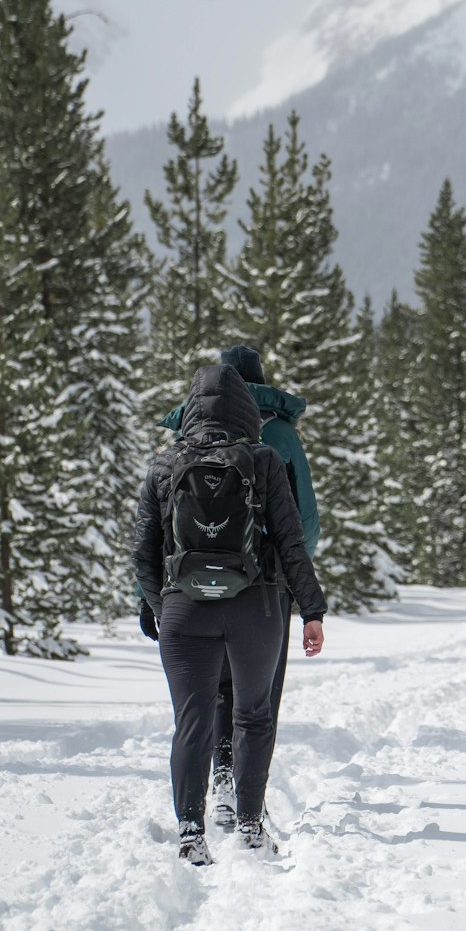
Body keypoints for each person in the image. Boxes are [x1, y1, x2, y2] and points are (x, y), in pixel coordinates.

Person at [133, 363, 326, 866]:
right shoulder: (263, 460)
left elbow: (143, 553)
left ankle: (192, 832)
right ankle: (249, 826)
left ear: (190, 412)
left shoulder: (163, 466)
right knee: (253, 716)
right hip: (255, 608)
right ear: (246, 409)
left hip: (184, 611)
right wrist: (312, 610)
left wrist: (162, 604)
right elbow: (290, 544)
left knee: (191, 719)